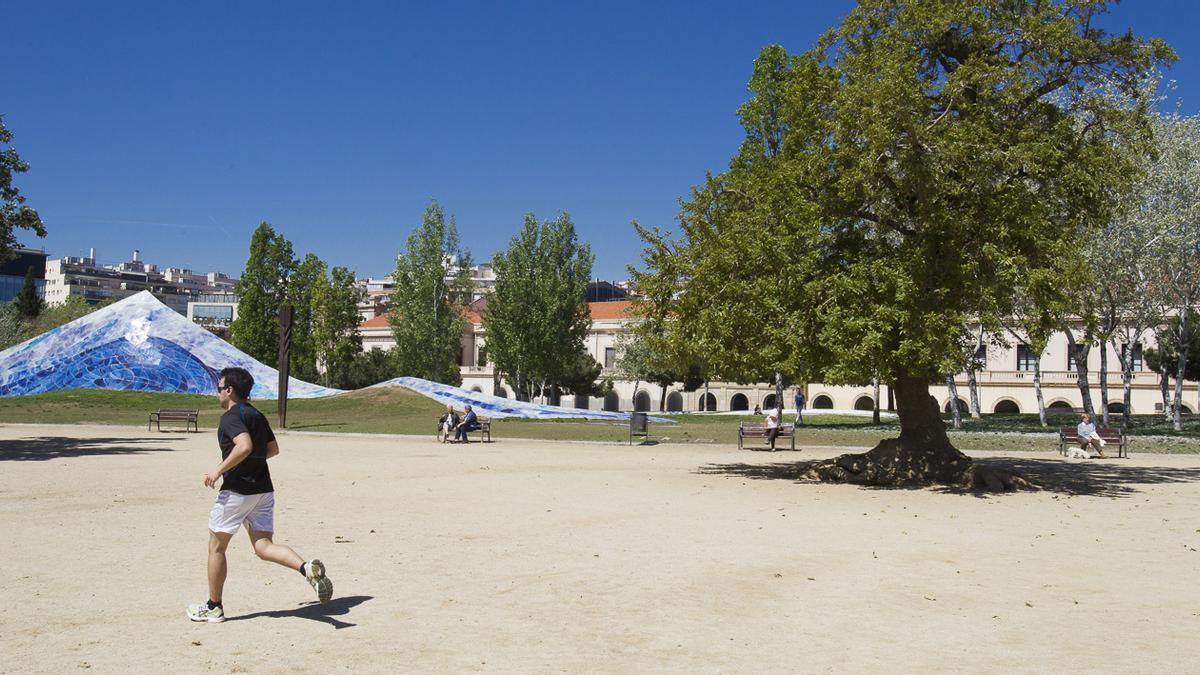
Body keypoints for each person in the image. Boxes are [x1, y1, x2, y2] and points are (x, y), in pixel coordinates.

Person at [186, 367, 333, 624]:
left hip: (237, 491)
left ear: (229, 390)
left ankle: (214, 607)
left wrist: (219, 470)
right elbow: (273, 449)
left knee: (216, 547)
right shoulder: (256, 414)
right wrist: (250, 462)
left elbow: (245, 445)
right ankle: (305, 567)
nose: (217, 393)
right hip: (263, 490)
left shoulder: (231, 416)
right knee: (263, 546)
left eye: (219, 388)